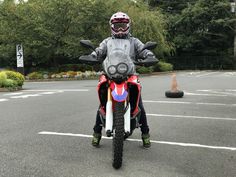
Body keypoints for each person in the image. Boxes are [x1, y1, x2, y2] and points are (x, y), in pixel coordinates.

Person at [91, 11, 158, 148]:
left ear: (128, 26)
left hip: (129, 74)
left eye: (123, 25)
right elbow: (99, 50)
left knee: (139, 104)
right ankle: (96, 133)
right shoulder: (107, 42)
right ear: (112, 27)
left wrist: (149, 55)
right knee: (102, 104)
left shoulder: (134, 41)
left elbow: (144, 50)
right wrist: (93, 55)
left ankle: (145, 134)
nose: (120, 29)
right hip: (110, 73)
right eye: (117, 26)